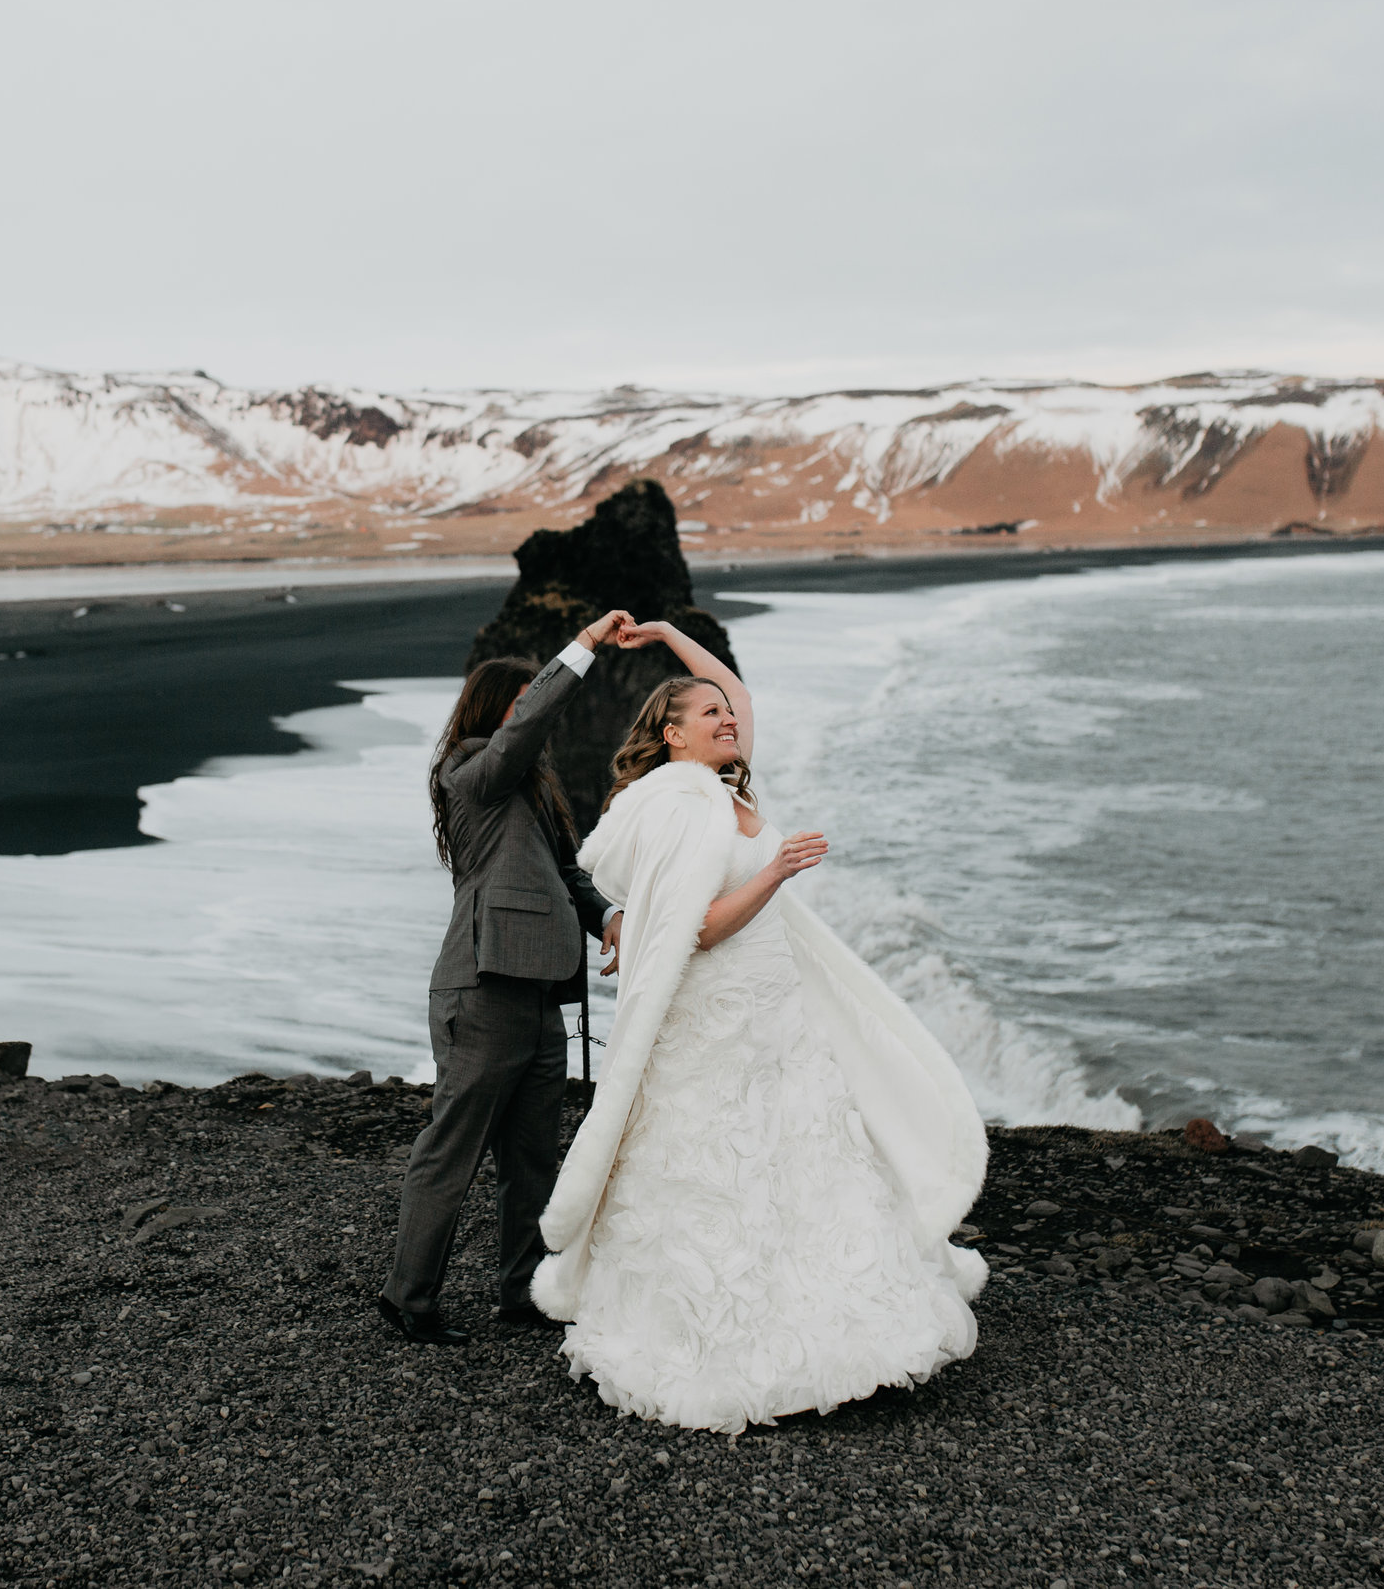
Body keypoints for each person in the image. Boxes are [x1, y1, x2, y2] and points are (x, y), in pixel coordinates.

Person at [529, 618, 989, 1433]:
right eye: (708, 716)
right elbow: (697, 928)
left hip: (779, 1017)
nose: (728, 719)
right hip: (715, 1024)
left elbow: (740, 690)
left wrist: (670, 634)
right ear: (672, 737)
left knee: (810, 1159)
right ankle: (730, 1351)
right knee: (724, 1173)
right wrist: (775, 870)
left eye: (726, 715)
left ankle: (845, 1331)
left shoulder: (730, 791)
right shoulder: (675, 804)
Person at [379, 608, 635, 1346]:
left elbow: (562, 872)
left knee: (532, 1156)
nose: (538, 722)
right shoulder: (473, 774)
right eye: (526, 703)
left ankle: (524, 1291)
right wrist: (582, 648)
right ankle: (408, 1296)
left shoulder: (531, 789)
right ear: (503, 707)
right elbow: (526, 725)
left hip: (540, 994)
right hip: (483, 989)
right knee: (452, 1148)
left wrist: (609, 918)